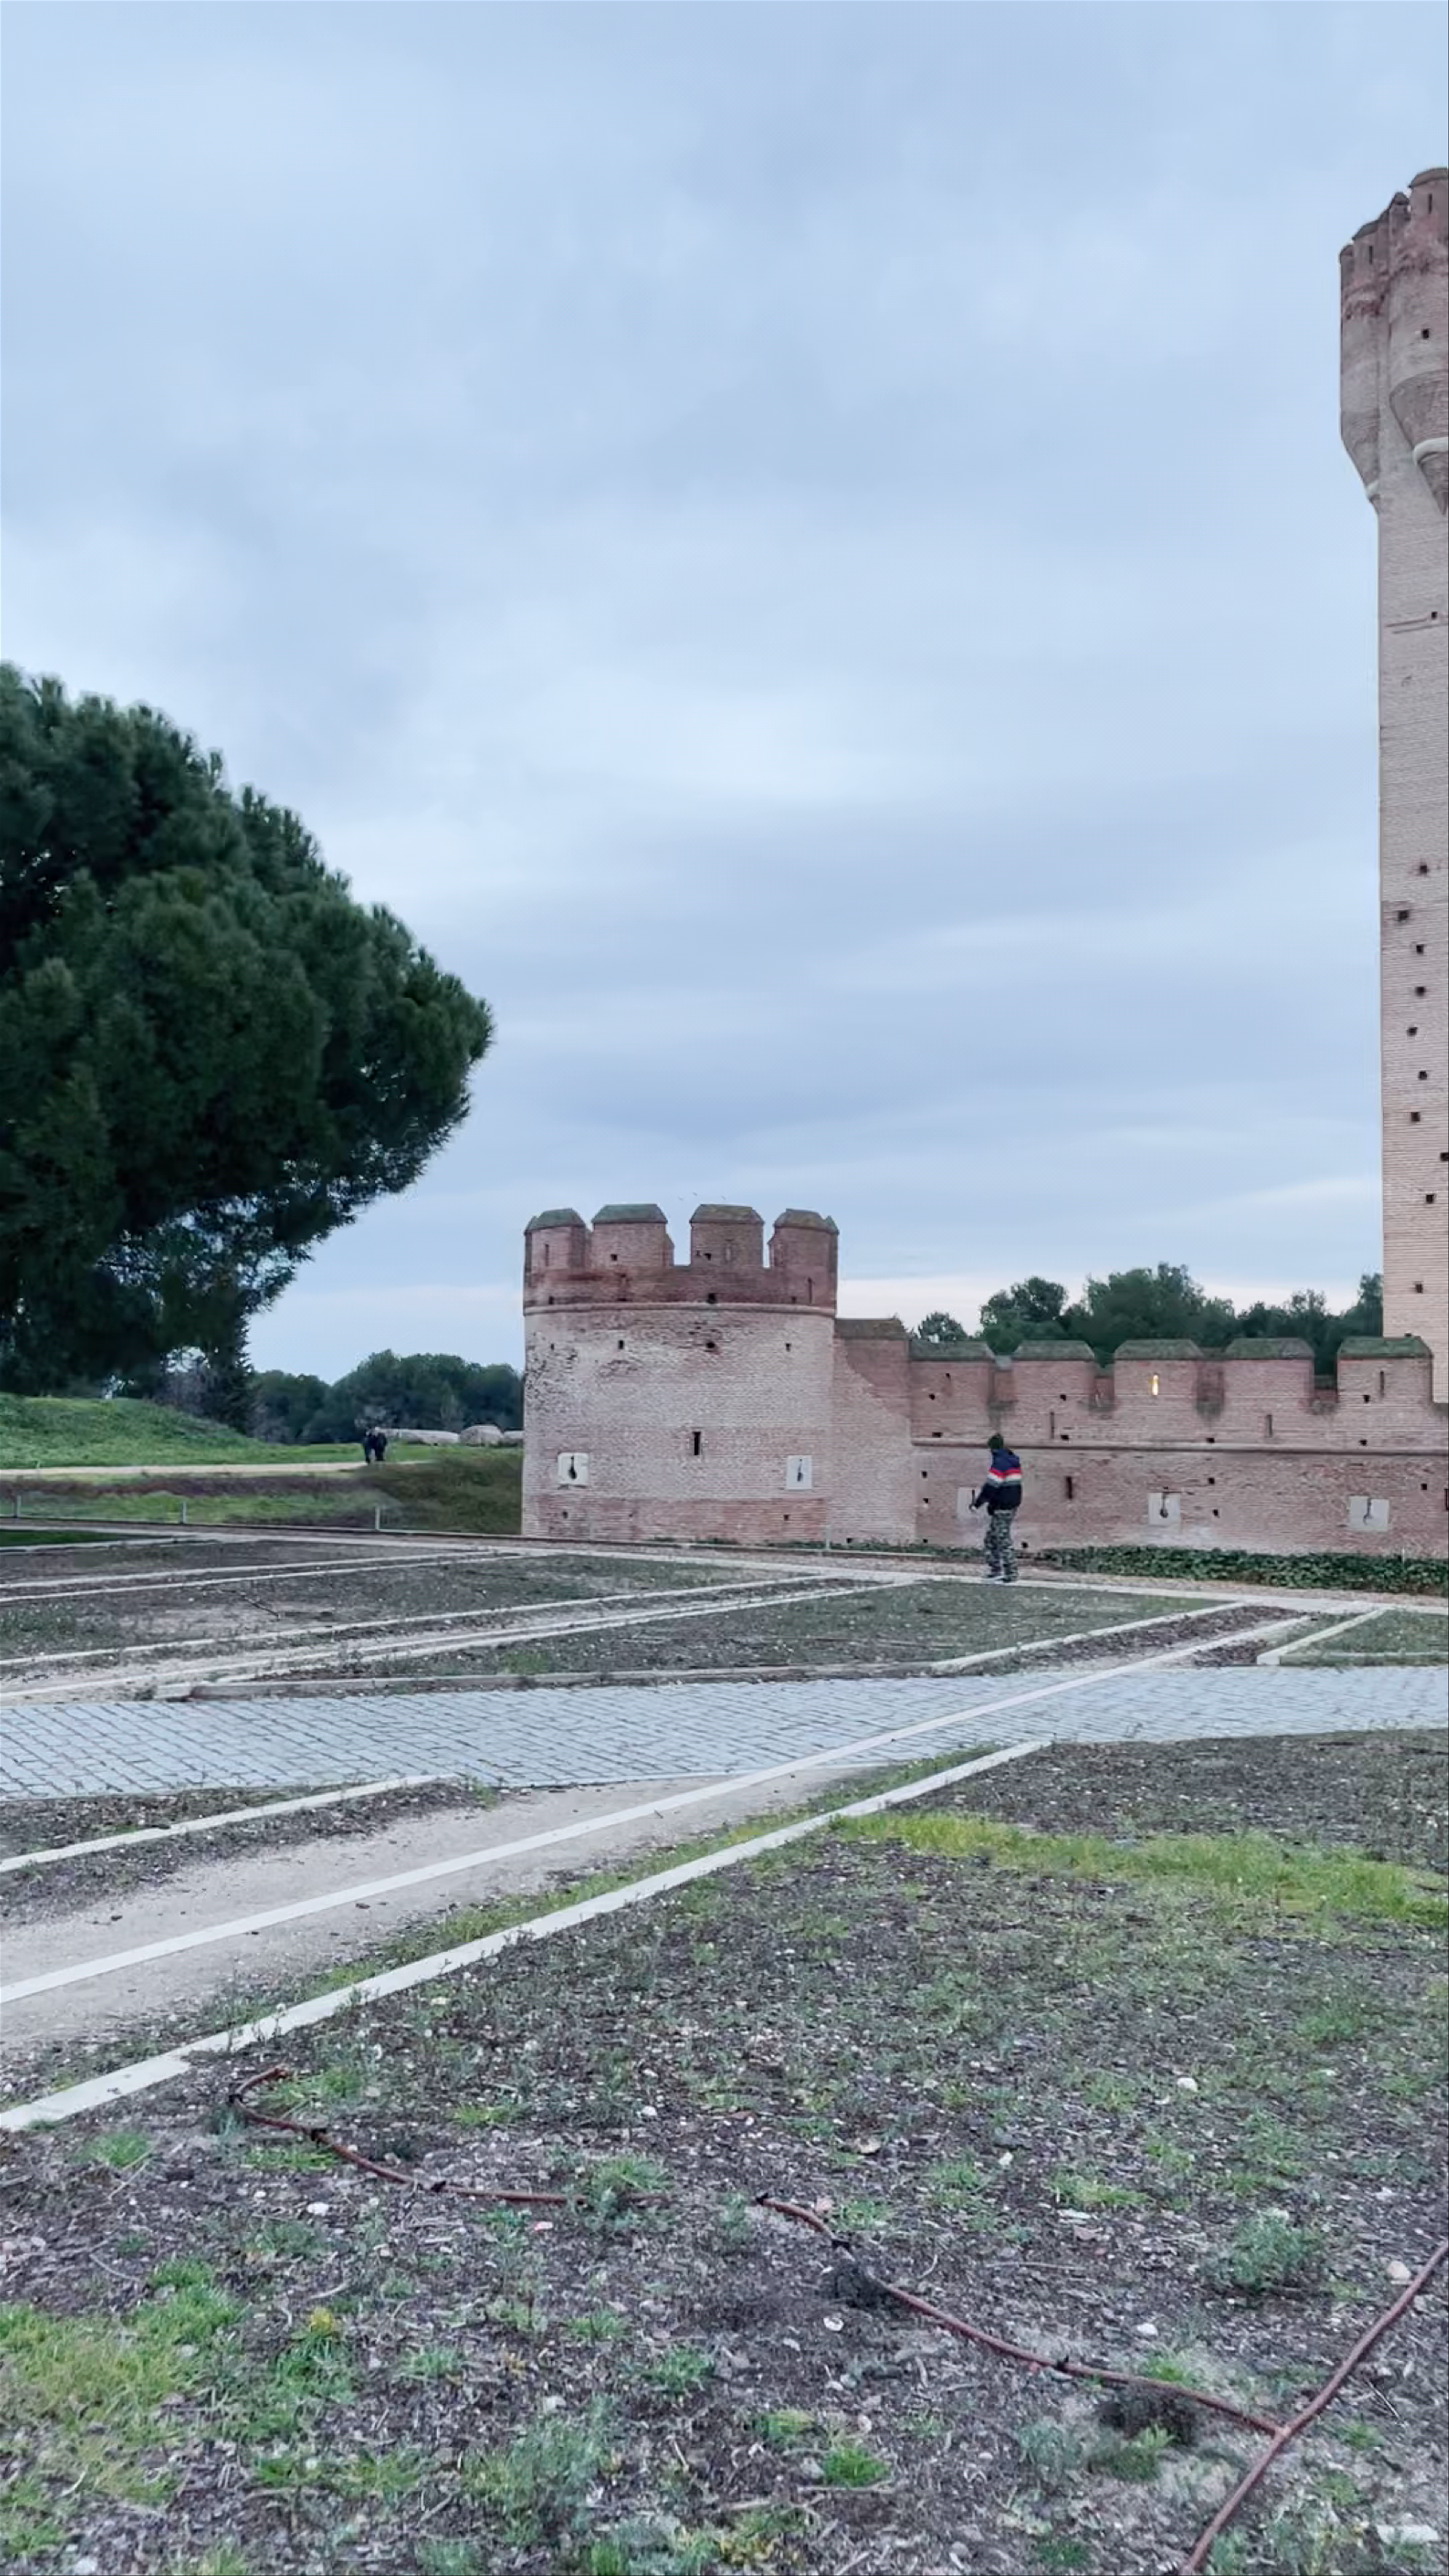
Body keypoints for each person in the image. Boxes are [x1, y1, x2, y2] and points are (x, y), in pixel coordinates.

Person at [971, 1433, 1023, 1582]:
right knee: (993, 1539)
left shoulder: (1000, 1463)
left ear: (992, 1449)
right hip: (1011, 1505)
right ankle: (997, 1571)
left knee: (1001, 1540)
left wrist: (977, 1504)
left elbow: (991, 1487)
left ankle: (1009, 1573)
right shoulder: (1013, 1461)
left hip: (1002, 1507)